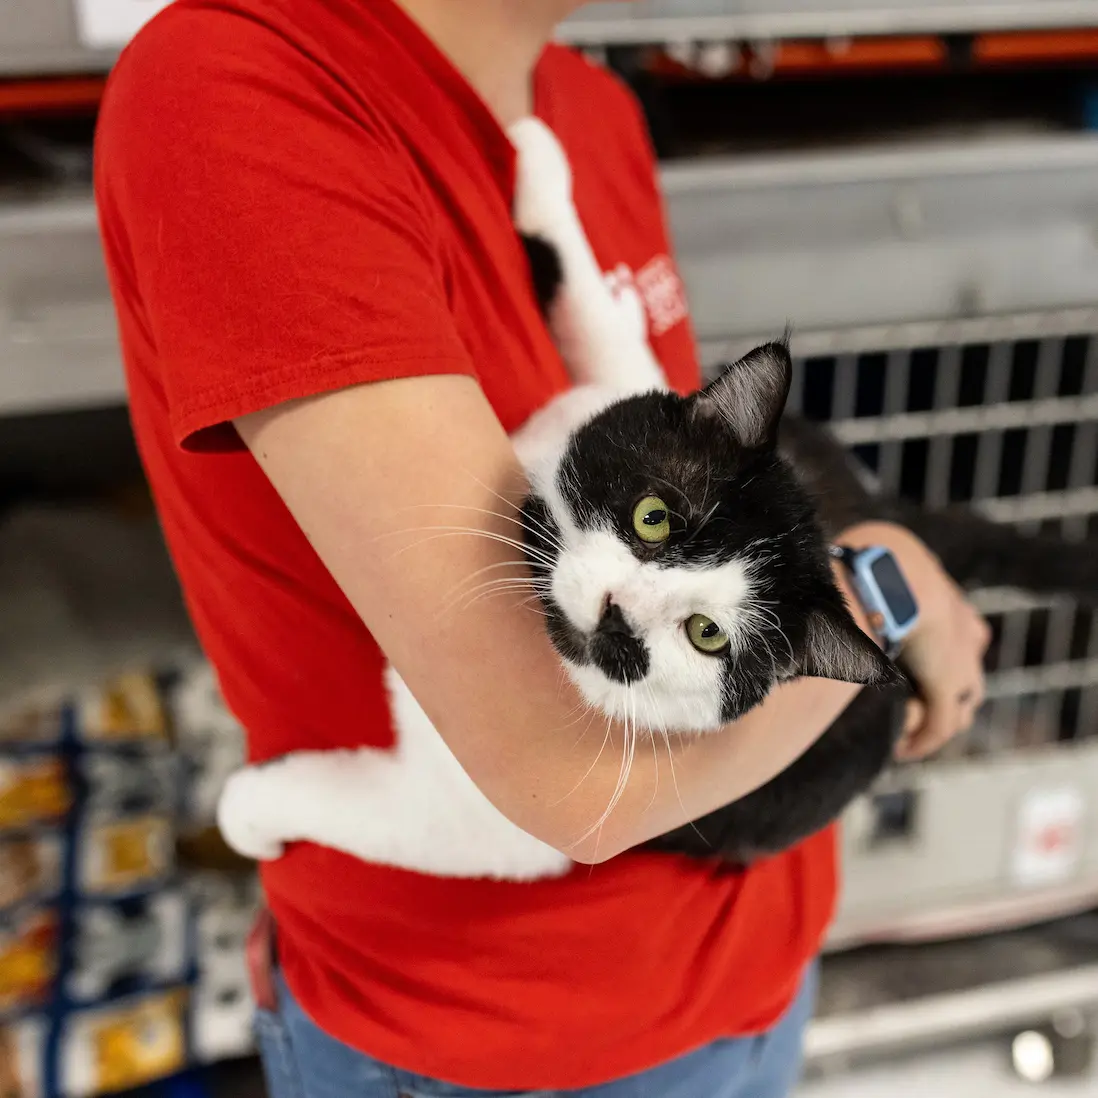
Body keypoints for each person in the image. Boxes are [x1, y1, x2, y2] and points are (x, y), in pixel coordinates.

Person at [94, 1, 991, 1095]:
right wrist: (887, 588)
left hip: (761, 978)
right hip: (500, 1044)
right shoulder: (246, 84)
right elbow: (561, 779)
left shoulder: (588, 109)